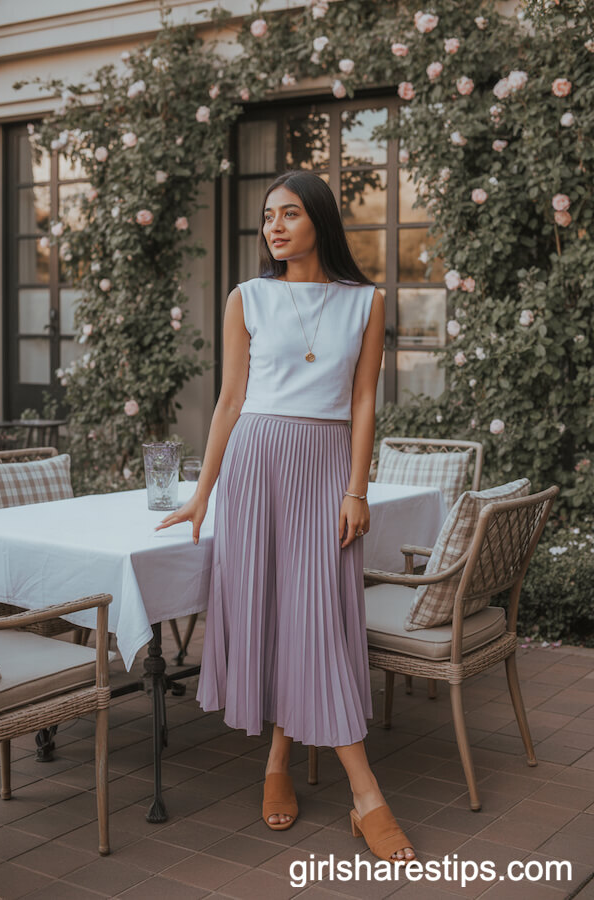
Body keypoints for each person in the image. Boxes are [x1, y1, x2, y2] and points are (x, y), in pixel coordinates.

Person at [155, 170, 415, 865]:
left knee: (321, 620)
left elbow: (364, 402)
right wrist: (202, 493)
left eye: (290, 213)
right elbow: (229, 402)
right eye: (268, 215)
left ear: (319, 221)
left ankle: (358, 790)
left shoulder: (367, 302)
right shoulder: (250, 298)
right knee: (275, 613)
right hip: (255, 466)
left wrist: (356, 489)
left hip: (327, 465)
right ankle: (285, 762)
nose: (274, 225)